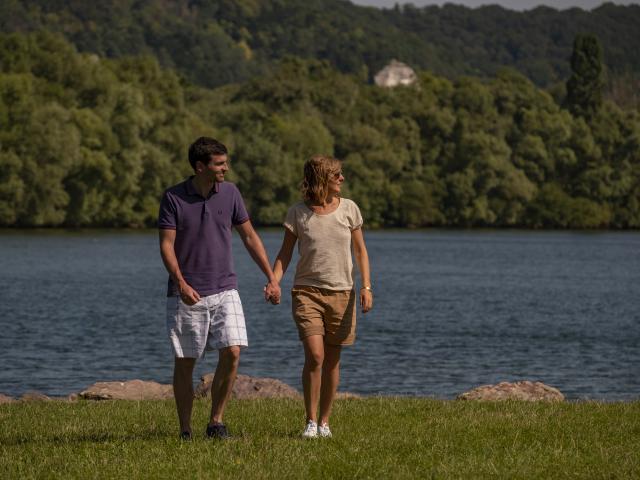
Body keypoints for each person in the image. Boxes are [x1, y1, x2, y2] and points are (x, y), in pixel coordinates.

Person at [158, 136, 281, 440]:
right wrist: (181, 283)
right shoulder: (174, 198)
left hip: (226, 288)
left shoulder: (230, 193)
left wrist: (271, 277)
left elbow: (250, 237)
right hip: (188, 294)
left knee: (234, 350)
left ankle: (216, 422)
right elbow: (166, 246)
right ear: (200, 166)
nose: (226, 168)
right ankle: (185, 430)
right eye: (220, 164)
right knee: (186, 362)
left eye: (225, 163)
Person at [272, 155, 373, 438]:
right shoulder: (298, 213)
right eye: (336, 175)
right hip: (307, 292)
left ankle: (325, 422)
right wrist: (274, 281)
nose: (342, 179)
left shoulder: (350, 209)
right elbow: (285, 253)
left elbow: (361, 252)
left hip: (342, 292)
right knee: (315, 355)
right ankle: (310, 421)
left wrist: (366, 287)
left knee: (332, 360)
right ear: (321, 179)